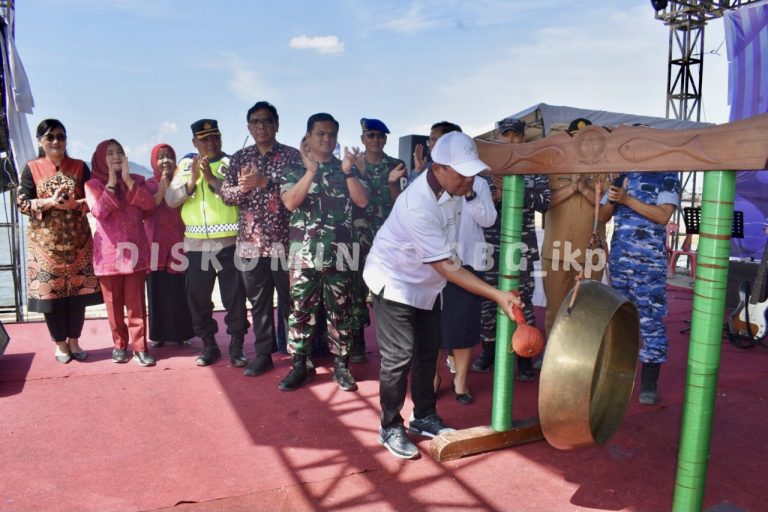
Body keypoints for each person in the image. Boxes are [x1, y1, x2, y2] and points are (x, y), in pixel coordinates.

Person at [364, 131, 522, 459]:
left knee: (428, 352)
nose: (470, 179)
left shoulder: (457, 189)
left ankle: (424, 416)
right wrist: (496, 294)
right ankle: (389, 425)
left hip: (427, 282)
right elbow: (448, 266)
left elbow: (454, 251)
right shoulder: (416, 204)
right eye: (462, 172)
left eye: (472, 171)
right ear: (438, 169)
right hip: (395, 280)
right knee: (399, 356)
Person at [279, 113, 369, 392]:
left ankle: (341, 367)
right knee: (300, 312)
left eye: (332, 134)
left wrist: (349, 171)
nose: (327, 139)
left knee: (339, 312)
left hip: (339, 253)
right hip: (303, 254)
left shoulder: (346, 169)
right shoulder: (294, 169)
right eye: (320, 133)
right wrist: (310, 172)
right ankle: (299, 365)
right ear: (308, 136)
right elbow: (290, 203)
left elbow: (363, 201)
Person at [221, 102, 301, 377]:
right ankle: (264, 354)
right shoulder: (239, 158)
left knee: (292, 301)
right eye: (255, 122)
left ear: (277, 124)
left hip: (285, 243)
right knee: (259, 303)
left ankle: (298, 356)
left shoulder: (292, 156)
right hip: (250, 244)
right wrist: (244, 187)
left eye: (267, 121)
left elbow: (301, 189)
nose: (261, 126)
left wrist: (265, 181)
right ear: (248, 127)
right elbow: (226, 195)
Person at [17, 119, 103, 363]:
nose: (56, 141)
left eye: (61, 137)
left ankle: (75, 341)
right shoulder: (31, 168)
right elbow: (22, 202)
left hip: (78, 243)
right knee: (51, 297)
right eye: (50, 137)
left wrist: (75, 204)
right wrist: (48, 202)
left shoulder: (79, 167)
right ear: (40, 141)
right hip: (45, 247)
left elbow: (94, 198)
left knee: (77, 294)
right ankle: (60, 345)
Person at [166, 119, 249, 367]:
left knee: (234, 297)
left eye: (215, 137)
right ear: (194, 142)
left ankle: (236, 345)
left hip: (229, 244)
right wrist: (192, 181)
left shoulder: (232, 163)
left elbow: (240, 196)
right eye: (204, 140)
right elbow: (171, 199)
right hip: (196, 246)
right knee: (198, 298)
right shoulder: (184, 166)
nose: (211, 143)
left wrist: (212, 180)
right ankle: (209, 344)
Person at [472, 117, 550, 381]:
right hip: (490, 245)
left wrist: (511, 189)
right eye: (506, 135)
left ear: (523, 138)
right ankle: (489, 353)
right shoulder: (483, 169)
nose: (511, 140)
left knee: (522, 302)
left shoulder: (534, 166)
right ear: (498, 137)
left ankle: (525, 358)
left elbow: (545, 202)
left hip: (522, 247)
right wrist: (493, 196)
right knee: (488, 301)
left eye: (516, 135)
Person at [599, 171, 680, 405]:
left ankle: (648, 383)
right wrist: (613, 199)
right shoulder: (620, 177)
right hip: (620, 261)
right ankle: (618, 377)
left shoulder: (666, 176)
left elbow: (663, 216)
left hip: (648, 265)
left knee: (650, 323)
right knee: (620, 322)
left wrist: (627, 199)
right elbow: (603, 217)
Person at [85, 139, 156, 366]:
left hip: (135, 252)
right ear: (99, 159)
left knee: (136, 303)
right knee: (113, 305)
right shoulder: (93, 184)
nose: (116, 156)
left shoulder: (137, 180)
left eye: (119, 152)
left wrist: (126, 179)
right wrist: (113, 183)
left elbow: (148, 205)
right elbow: (99, 211)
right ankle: (119, 345)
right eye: (109, 153)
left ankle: (140, 347)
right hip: (108, 254)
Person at [541, 118, 607, 338]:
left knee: (585, 312)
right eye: (577, 140)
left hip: (590, 254)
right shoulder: (551, 167)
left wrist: (586, 189)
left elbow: (608, 209)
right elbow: (543, 202)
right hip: (556, 251)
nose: (584, 146)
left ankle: (581, 362)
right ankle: (551, 356)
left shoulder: (606, 169)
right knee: (555, 309)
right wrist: (571, 188)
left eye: (589, 141)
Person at [348, 117, 407, 363]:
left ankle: (392, 342)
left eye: (380, 136)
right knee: (356, 292)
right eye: (370, 135)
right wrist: (358, 173)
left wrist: (391, 182)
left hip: (388, 240)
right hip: (358, 239)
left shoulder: (397, 165)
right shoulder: (351, 166)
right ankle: (358, 340)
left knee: (390, 292)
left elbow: (402, 204)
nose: (375, 140)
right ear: (363, 139)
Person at [438, 173, 496, 404]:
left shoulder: (480, 183)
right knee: (433, 324)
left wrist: (470, 193)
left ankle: (460, 380)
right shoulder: (431, 181)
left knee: (465, 325)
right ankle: (433, 378)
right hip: (437, 261)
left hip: (470, 260)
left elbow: (488, 219)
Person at [144, 143, 194, 348]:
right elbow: (145, 211)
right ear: (154, 161)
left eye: (169, 156)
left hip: (178, 243)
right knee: (157, 291)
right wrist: (161, 187)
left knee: (178, 290)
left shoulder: (182, 183)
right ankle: (159, 335)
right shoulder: (148, 184)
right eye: (160, 157)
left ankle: (182, 332)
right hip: (154, 244)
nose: (165, 161)